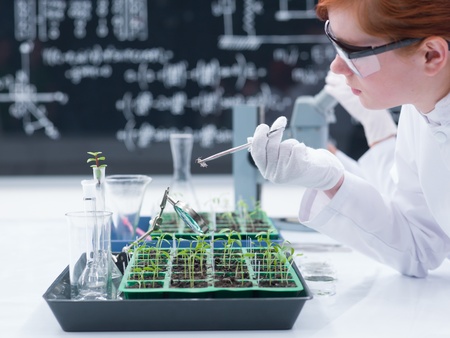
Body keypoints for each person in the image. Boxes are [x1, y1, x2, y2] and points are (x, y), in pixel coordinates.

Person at [250, 0, 450, 278]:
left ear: (431, 56)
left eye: (354, 52)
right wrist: (329, 180)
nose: (336, 67)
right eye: (335, 42)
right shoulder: (420, 111)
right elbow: (420, 245)